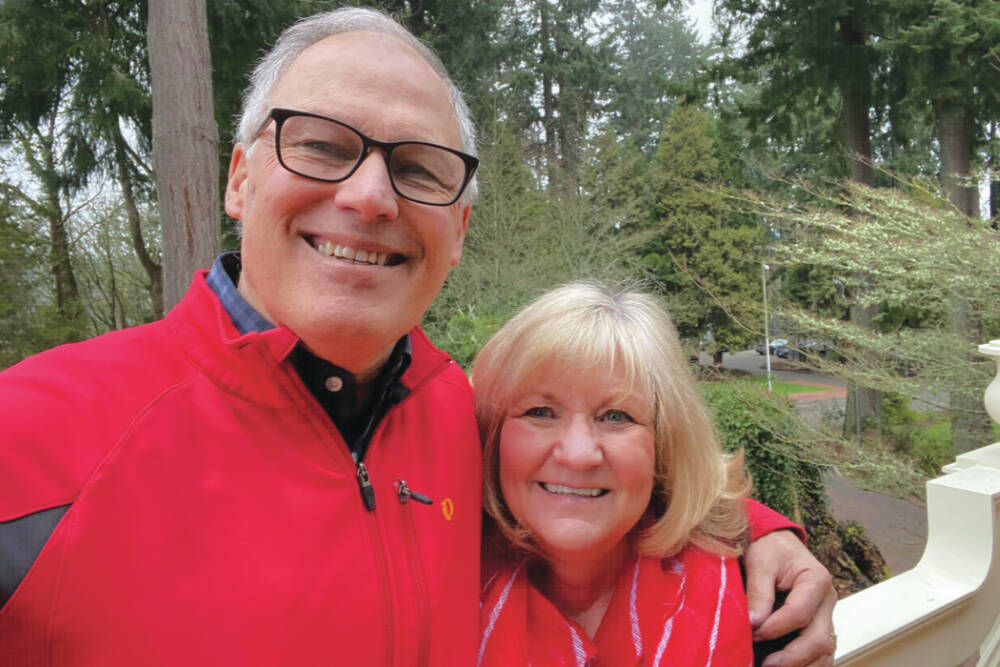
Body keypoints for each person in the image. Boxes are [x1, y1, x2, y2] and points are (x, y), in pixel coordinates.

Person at [0, 7, 834, 666]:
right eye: (323, 145)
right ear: (240, 176)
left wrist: (764, 535)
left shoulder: (455, 415)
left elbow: (604, 485)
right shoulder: (32, 436)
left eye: (417, 168)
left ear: (460, 227)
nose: (370, 196)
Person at [473, 282, 831, 666]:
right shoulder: (437, 589)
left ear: (663, 445)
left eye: (616, 416)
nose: (578, 455)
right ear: (492, 437)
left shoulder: (763, 605)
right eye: (540, 412)